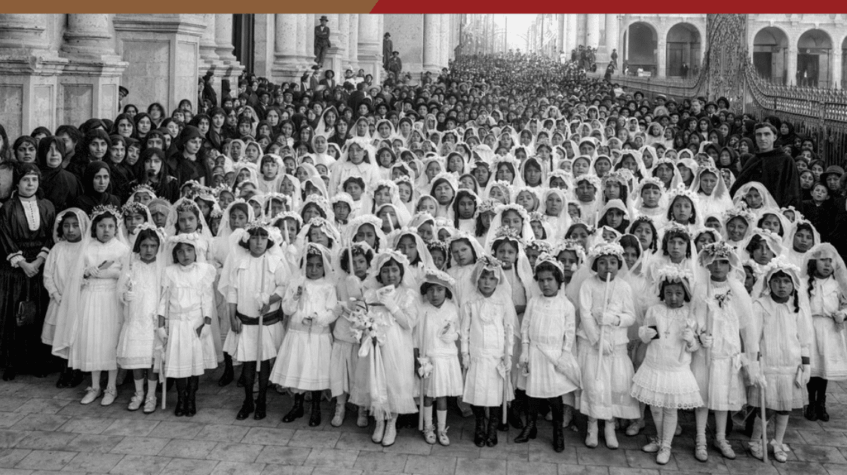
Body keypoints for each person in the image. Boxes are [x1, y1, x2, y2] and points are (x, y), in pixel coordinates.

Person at [514, 254, 578, 452]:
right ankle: (530, 426)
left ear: (559, 281)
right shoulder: (534, 302)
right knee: (532, 395)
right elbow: (525, 327)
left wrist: (564, 355)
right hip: (535, 352)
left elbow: (569, 333)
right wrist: (525, 350)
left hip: (554, 355)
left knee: (554, 397)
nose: (545, 284)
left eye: (550, 279)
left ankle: (558, 432)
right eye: (541, 280)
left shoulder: (566, 305)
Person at [0, 163, 56, 380]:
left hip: (39, 267)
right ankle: (13, 363)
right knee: (15, 315)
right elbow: (4, 237)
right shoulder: (7, 208)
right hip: (15, 270)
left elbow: (52, 236)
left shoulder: (47, 206)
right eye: (25, 179)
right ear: (17, 182)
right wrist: (23, 263)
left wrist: (39, 261)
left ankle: (37, 361)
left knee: (38, 314)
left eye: (34, 179)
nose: (30, 184)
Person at [461, 255, 517, 448]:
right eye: (484, 277)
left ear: (498, 281)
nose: (487, 282)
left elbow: (509, 330)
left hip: (496, 356)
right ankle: (479, 425)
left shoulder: (502, 302)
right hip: (477, 354)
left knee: (494, 394)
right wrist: (465, 354)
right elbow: (465, 330)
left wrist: (508, 355)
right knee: (478, 393)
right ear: (477, 278)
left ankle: (493, 426)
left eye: (492, 278)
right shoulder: (470, 301)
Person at [158, 233, 217, 417]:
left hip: (195, 324)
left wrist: (206, 322)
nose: (185, 254)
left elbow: (207, 298)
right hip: (176, 323)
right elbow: (163, 301)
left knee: (193, 364)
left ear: (195, 251)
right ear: (175, 254)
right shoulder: (169, 272)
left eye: (189, 250)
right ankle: (181, 398)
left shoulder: (203, 270)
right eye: (181, 251)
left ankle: (191, 398)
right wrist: (160, 325)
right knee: (179, 363)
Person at [414, 268, 463, 446]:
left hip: (446, 358)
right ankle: (428, 426)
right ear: (425, 291)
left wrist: (453, 334)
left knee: (442, 396)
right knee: (428, 395)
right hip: (429, 358)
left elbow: (458, 331)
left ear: (446, 291)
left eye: (439, 290)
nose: (434, 294)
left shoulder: (452, 309)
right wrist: (417, 359)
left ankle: (441, 428)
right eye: (430, 290)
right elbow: (416, 337)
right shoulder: (422, 309)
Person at [730, 122, 801, 209]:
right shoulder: (753, 161)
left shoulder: (786, 161)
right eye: (759, 135)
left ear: (774, 137)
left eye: (767, 134)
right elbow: (739, 189)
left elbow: (793, 192)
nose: (762, 138)